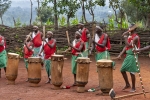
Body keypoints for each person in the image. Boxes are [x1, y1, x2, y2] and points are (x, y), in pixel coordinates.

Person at [117, 24, 140, 92]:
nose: (128, 29)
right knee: (122, 70)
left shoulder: (136, 37)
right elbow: (126, 47)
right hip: (128, 55)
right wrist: (120, 54)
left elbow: (129, 45)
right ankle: (127, 84)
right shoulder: (130, 36)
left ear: (133, 29)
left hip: (133, 55)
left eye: (129, 28)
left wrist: (125, 37)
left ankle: (133, 88)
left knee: (132, 72)